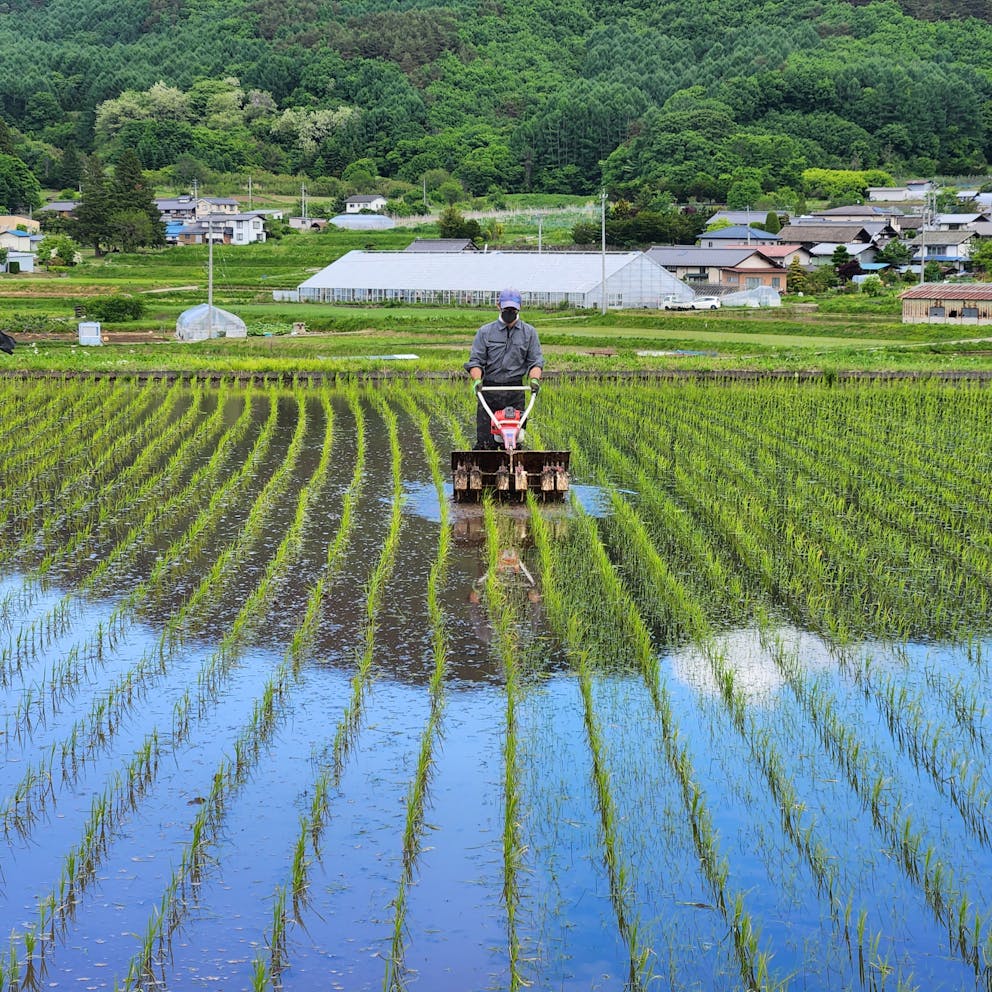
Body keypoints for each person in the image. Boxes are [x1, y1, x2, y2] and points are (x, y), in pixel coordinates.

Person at [464, 289, 543, 450]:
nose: (509, 313)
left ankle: (515, 471)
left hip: (515, 392)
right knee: (486, 443)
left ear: (519, 308)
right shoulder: (485, 332)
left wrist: (534, 380)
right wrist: (477, 380)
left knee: (515, 440)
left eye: (513, 310)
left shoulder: (529, 333)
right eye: (506, 309)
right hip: (489, 392)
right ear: (498, 305)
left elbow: (536, 361)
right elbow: (475, 361)